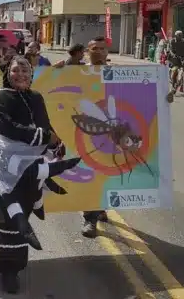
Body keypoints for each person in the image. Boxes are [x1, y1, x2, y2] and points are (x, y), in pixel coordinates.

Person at [0, 55, 81, 293]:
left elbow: (45, 125)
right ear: (8, 73)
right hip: (4, 169)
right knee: (8, 219)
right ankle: (7, 270)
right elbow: (4, 127)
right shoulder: (0, 98)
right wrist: (40, 137)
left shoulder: (36, 97)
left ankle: (17, 267)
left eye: (26, 71)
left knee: (24, 215)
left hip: (30, 168)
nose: (21, 75)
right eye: (16, 71)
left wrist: (55, 144)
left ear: (32, 75)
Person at [53, 37, 110, 237]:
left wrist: (164, 95)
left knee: (104, 173)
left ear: (107, 51)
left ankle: (100, 206)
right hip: (84, 131)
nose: (98, 52)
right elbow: (53, 88)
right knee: (90, 173)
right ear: (88, 50)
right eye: (94, 48)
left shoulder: (118, 73)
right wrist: (55, 70)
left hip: (109, 132)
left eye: (102, 49)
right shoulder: (77, 72)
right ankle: (90, 219)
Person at [166, 30, 184, 102]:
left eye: (181, 35)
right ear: (176, 35)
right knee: (175, 72)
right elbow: (170, 50)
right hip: (175, 59)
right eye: (179, 35)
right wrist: (173, 54)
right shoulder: (172, 41)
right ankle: (174, 86)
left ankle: (183, 83)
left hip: (183, 59)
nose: (180, 36)